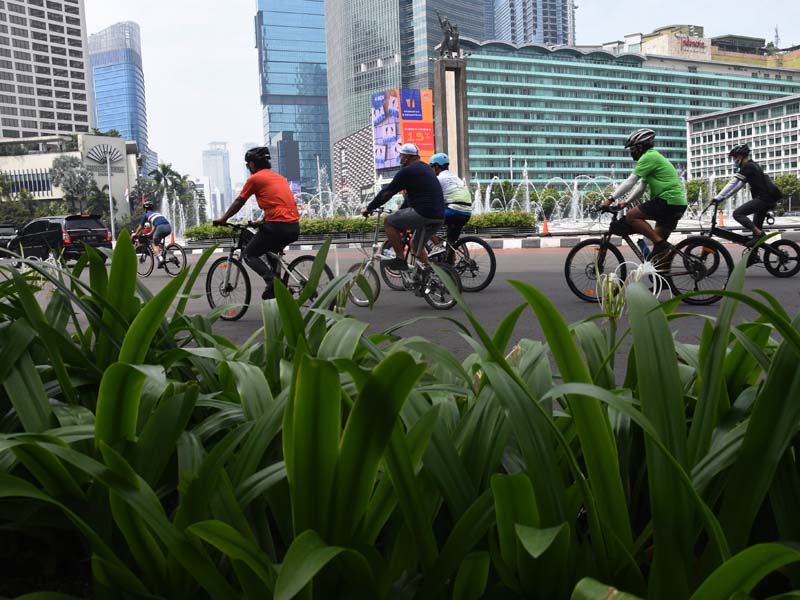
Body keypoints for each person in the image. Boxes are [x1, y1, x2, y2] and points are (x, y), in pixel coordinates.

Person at [213, 146, 300, 299]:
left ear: (252, 164)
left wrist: (223, 219)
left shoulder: (255, 179)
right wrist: (262, 220)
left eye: (248, 165)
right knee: (271, 252)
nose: (248, 168)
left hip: (277, 227)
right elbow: (279, 204)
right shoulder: (280, 178)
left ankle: (273, 283)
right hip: (293, 227)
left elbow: (240, 201)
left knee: (249, 254)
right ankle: (277, 290)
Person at [600, 128, 687, 261]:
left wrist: (610, 199)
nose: (631, 152)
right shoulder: (653, 158)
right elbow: (641, 187)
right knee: (658, 256)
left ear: (640, 147)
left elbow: (630, 181)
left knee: (632, 216)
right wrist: (627, 202)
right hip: (677, 204)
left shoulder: (648, 157)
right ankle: (662, 269)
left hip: (667, 201)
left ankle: (660, 243)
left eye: (632, 148)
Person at [362, 143, 444, 270]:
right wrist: (400, 213)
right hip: (439, 216)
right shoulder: (426, 168)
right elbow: (410, 199)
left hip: (423, 214)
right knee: (415, 245)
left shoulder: (407, 171)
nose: (399, 158)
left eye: (400, 155)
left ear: (406, 157)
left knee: (388, 221)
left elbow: (387, 193)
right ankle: (428, 274)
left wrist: (370, 208)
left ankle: (400, 259)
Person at [713, 144, 783, 246]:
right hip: (766, 200)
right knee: (755, 237)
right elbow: (738, 186)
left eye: (734, 157)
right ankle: (755, 250)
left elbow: (733, 183)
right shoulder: (752, 165)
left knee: (737, 214)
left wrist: (717, 197)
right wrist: (723, 198)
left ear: (740, 157)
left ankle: (760, 234)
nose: (734, 160)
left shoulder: (748, 166)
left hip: (764, 199)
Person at [429, 152, 472, 262]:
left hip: (454, 211)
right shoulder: (456, 178)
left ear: (436, 166)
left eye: (431, 166)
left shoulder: (439, 179)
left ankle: (437, 246)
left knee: (424, 222)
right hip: (466, 213)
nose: (431, 169)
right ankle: (450, 263)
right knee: (451, 242)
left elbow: (432, 198)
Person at [132, 201, 171, 268]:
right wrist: (151, 233)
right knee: (158, 242)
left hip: (160, 228)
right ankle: (169, 255)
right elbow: (155, 225)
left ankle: (161, 259)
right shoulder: (157, 214)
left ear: (145, 209)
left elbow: (141, 226)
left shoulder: (146, 215)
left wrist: (135, 233)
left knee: (154, 244)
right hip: (168, 227)